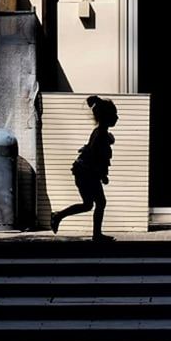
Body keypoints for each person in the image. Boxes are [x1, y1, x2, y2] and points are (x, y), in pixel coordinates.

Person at [50, 95, 118, 242]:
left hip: (86, 172)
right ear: (107, 117)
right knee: (99, 203)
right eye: (115, 114)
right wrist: (101, 175)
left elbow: (99, 158)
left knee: (89, 204)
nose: (117, 118)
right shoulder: (100, 134)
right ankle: (96, 235)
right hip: (86, 173)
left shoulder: (101, 133)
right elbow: (95, 156)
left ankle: (58, 216)